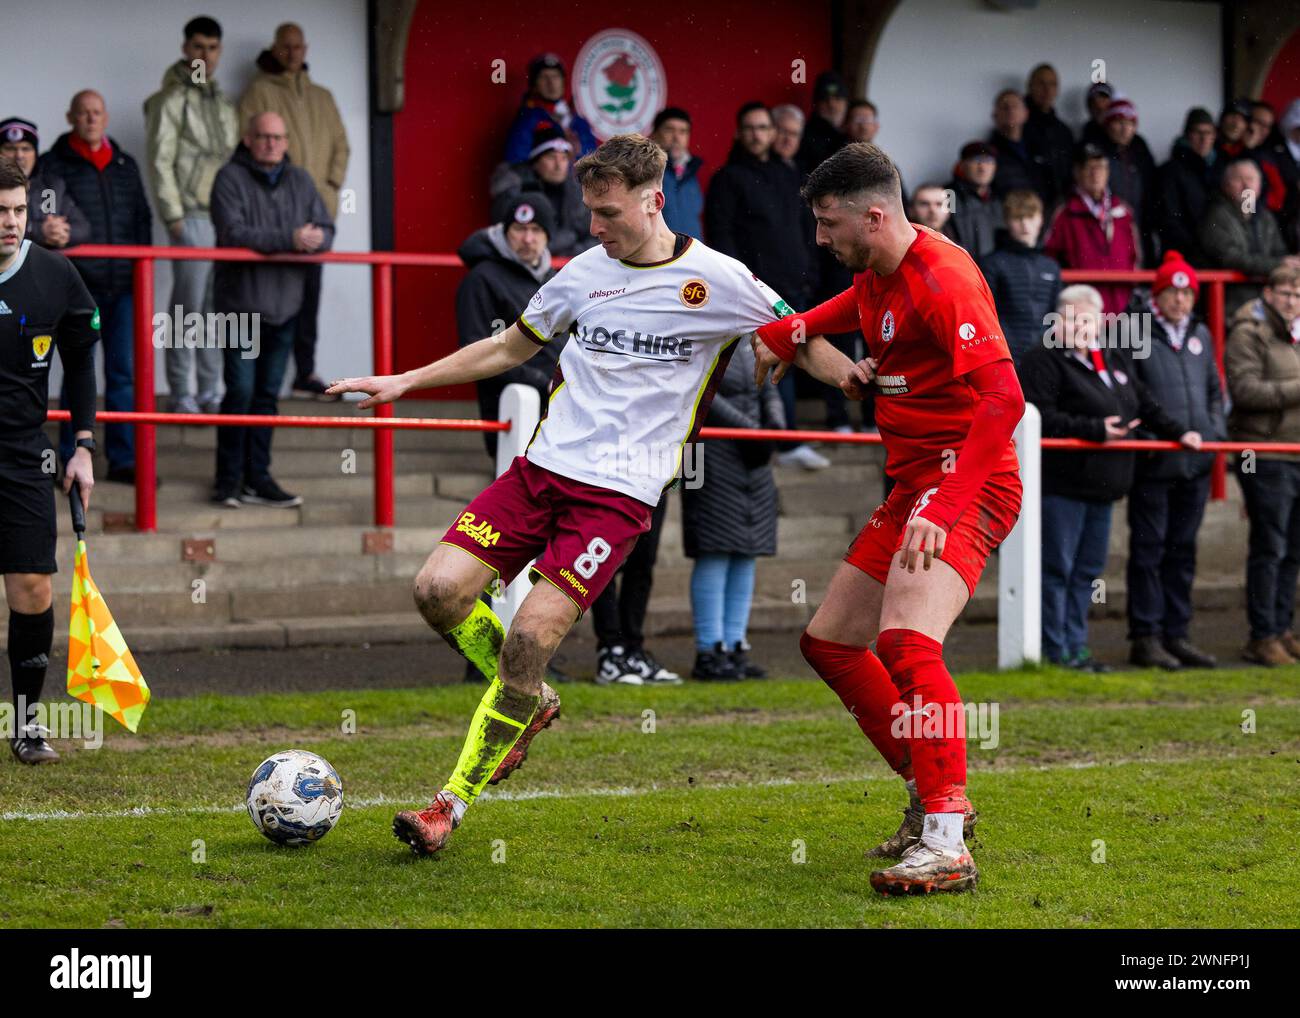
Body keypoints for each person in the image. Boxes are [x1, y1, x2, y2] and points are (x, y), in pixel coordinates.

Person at [327, 133, 815, 857]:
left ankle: (448, 805)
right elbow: (505, 348)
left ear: (654, 203)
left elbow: (802, 331)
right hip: (538, 475)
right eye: (588, 211)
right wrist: (403, 380)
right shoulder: (585, 271)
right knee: (436, 591)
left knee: (529, 635)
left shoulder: (719, 278)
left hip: (615, 500)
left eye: (608, 212)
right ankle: (531, 698)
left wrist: (859, 377)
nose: (593, 227)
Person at [753, 142, 1026, 895]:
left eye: (828, 222)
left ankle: (946, 841)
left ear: (875, 216)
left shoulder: (946, 279)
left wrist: (943, 500)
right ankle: (930, 785)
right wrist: (796, 328)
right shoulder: (877, 271)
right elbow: (858, 308)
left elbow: (1006, 402)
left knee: (908, 643)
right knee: (831, 642)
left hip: (967, 486)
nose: (819, 237)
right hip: (912, 487)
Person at [1019, 284, 1198, 671]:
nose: (1082, 326)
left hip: (1104, 487)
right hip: (1061, 485)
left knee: (1086, 571)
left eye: (1088, 319)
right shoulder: (1041, 361)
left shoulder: (1111, 359)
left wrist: (1179, 432)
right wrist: (1095, 430)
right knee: (1057, 570)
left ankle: (1077, 648)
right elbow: (1039, 419)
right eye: (1073, 318)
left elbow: (1143, 403)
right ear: (1058, 320)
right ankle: (1055, 650)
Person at [0, 159, 99, 763]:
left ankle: (27, 722)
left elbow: (83, 359)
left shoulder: (55, 274)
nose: (9, 223)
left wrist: (83, 444)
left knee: (32, 586)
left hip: (22, 453)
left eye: (16, 210)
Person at [209, 112, 334, 509]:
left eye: (277, 137)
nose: (270, 144)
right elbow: (232, 233)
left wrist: (317, 239)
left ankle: (258, 478)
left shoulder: (300, 179)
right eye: (262, 136)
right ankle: (228, 481)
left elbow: (326, 228)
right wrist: (292, 239)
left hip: (285, 307)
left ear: (285, 141)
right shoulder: (229, 178)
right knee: (241, 392)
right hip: (239, 308)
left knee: (266, 396)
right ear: (247, 139)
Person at [40, 90, 151, 484]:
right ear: (71, 116)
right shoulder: (53, 164)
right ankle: (71, 458)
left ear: (105, 118)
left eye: (97, 113)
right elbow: (45, 219)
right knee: (76, 372)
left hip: (121, 288)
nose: (90, 118)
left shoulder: (125, 165)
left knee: (123, 376)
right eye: (83, 112)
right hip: (76, 288)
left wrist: (141, 277)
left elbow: (142, 221)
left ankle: (123, 461)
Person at [238, 22, 349, 402]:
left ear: (306, 48)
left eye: (298, 46)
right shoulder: (259, 91)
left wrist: (330, 188)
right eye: (285, 46)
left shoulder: (322, 95)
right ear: (274, 48)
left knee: (310, 296)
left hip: (314, 217)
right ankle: (257, 387)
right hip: (274, 220)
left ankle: (305, 371)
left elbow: (341, 145)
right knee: (270, 300)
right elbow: (247, 140)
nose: (292, 52)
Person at [1124, 253, 1224, 669]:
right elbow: (1131, 394)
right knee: (1149, 550)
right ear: (1157, 295)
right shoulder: (1138, 334)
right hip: (1155, 464)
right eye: (1173, 292)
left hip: (1195, 466)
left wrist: (1214, 435)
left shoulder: (1201, 335)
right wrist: (1152, 440)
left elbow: (1216, 393)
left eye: (1187, 293)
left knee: (1183, 551)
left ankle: (1176, 633)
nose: (1181, 301)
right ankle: (1145, 637)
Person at [144, 15, 239, 415]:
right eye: (198, 46)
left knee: (215, 308)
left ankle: (210, 390)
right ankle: (182, 391)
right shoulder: (169, 99)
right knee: (187, 308)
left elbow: (233, 159)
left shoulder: (221, 102)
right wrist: (173, 216)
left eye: (213, 48)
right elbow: (159, 160)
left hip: (224, 218)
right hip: (191, 216)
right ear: (186, 48)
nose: (205, 55)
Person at [684, 335, 785, 681]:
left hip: (754, 453)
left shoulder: (752, 338)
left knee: (747, 550)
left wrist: (774, 427)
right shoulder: (702, 336)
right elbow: (700, 390)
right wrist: (751, 430)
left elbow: (770, 383)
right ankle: (709, 650)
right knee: (715, 548)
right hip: (711, 452)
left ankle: (735, 645)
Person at [1224, 264, 1300, 666]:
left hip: (1296, 452)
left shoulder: (1295, 334)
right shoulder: (1247, 332)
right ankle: (1262, 634)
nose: (1292, 302)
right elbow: (1245, 390)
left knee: (1292, 550)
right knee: (1269, 547)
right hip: (1266, 455)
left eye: (1298, 295)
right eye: (1286, 293)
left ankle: (1283, 628)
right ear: (1269, 293)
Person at [1042, 142, 1140, 314]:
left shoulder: (1123, 211)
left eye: (1101, 167)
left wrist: (1130, 295)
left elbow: (1136, 257)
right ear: (1077, 172)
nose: (1096, 174)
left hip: (1122, 306)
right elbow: (1049, 259)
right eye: (1089, 168)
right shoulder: (1064, 212)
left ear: (1108, 172)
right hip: (1081, 310)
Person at [1199, 157, 1297, 316]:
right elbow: (1230, 257)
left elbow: (1279, 252)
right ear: (1225, 185)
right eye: (1239, 179)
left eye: (1251, 179)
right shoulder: (1216, 215)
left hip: (1264, 305)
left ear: (1259, 186)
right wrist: (1278, 264)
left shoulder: (1265, 217)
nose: (1246, 185)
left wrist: (1287, 262)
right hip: (1230, 305)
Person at [977, 189, 1061, 366]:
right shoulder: (991, 264)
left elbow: (1056, 315)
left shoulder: (1051, 267)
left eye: (1030, 217)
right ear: (1007, 222)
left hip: (1043, 357)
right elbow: (985, 316)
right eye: (1018, 218)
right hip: (1004, 355)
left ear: (1040, 220)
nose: (1025, 225)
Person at [490, 122, 596, 257]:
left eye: (563, 158)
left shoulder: (578, 193)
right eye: (551, 157)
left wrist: (571, 254)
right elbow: (507, 241)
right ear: (536, 162)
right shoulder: (514, 192)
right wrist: (564, 242)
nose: (558, 166)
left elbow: (594, 237)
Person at [0, 117, 89, 249]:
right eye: (11, 148)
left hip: (39, 266)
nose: (19, 155)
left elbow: (83, 228)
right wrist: (38, 232)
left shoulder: (50, 186)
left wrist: (60, 232)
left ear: (35, 153)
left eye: (26, 148)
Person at [503, 52, 598, 165]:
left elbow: (594, 163)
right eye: (544, 77)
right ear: (534, 85)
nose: (551, 83)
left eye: (555, 76)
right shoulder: (528, 119)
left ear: (563, 82)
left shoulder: (579, 121)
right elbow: (516, 161)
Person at [1154, 108, 1217, 265]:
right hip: (1183, 258)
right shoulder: (1170, 171)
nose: (1203, 139)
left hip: (1215, 257)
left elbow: (1244, 207)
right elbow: (1169, 219)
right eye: (1198, 132)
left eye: (1208, 133)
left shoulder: (1221, 168)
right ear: (1188, 135)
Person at [1098, 97, 1158, 261]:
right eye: (1119, 122)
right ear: (1108, 124)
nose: (1125, 129)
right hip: (1108, 228)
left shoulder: (1141, 155)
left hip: (1139, 227)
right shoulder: (1098, 153)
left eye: (1130, 123)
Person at [989, 89, 1052, 209]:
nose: (1010, 111)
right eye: (1005, 107)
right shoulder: (989, 154)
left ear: (1026, 113)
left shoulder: (1042, 148)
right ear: (995, 115)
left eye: (1015, 106)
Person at [1023, 63, 1073, 210]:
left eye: (1052, 84)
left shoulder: (1064, 131)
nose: (1047, 89)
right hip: (1028, 210)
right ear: (1030, 86)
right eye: (1041, 83)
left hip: (1060, 208)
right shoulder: (1018, 126)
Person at [943, 141, 1002, 259]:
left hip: (995, 272)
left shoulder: (999, 198)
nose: (983, 167)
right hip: (962, 267)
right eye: (976, 160)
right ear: (962, 165)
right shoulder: (948, 196)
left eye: (989, 161)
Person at [651, 107, 703, 238]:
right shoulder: (644, 171)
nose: (676, 137)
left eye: (683, 131)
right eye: (669, 129)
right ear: (655, 134)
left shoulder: (693, 171)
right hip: (656, 255)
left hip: (692, 254)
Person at [796, 70, 848, 176]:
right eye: (825, 100)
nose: (832, 105)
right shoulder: (805, 135)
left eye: (837, 98)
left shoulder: (850, 131)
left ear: (846, 103)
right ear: (816, 104)